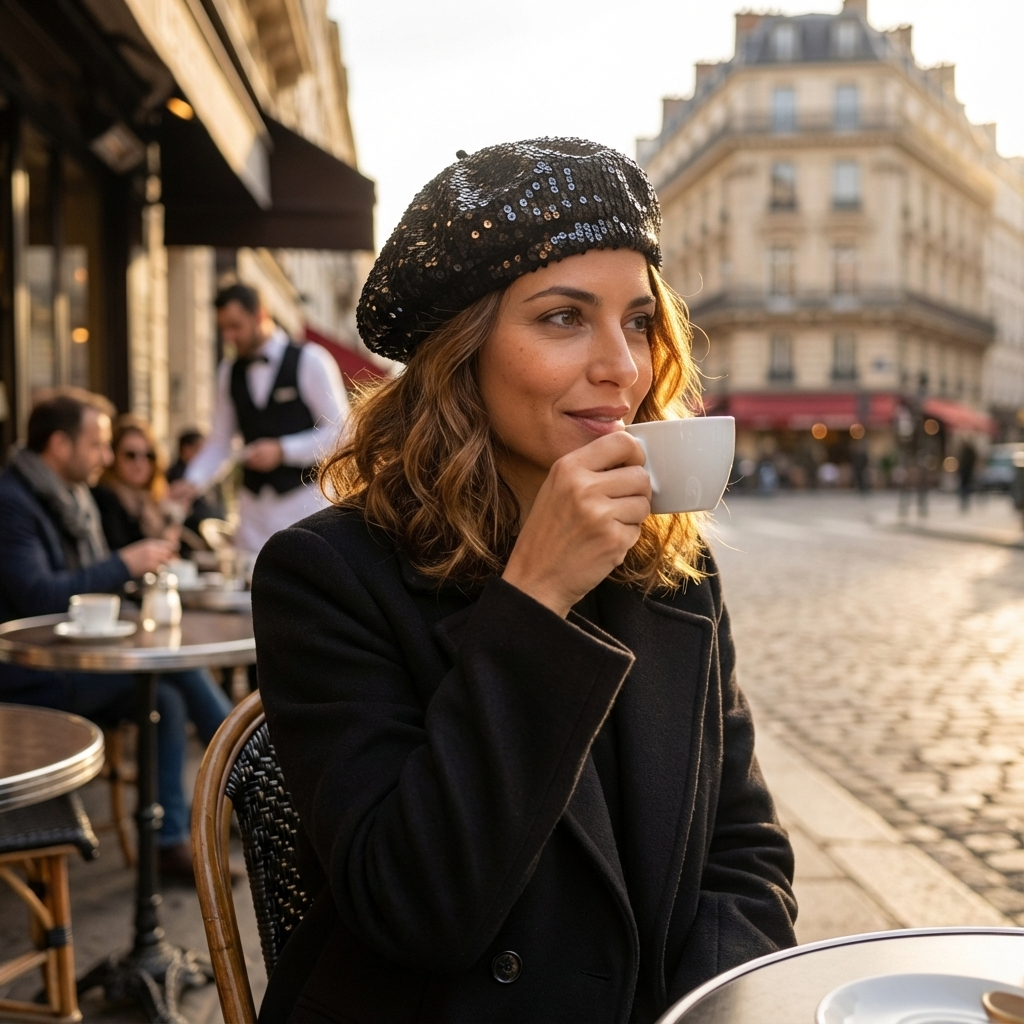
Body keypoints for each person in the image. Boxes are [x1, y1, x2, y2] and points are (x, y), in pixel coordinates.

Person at [252, 140, 797, 1024]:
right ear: (460, 354)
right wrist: (534, 600)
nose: (621, 364)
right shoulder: (327, 576)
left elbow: (742, 852)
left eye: (638, 320)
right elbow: (416, 911)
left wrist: (703, 1006)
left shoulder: (672, 569)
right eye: (562, 318)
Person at [0, 389, 230, 881]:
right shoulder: (13, 502)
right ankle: (249, 775)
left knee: (165, 697)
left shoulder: (72, 497)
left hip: (74, 657)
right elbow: (39, 596)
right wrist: (124, 563)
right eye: (98, 445)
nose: (105, 457)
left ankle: (169, 842)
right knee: (180, 668)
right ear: (60, 445)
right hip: (30, 674)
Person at [169, 284, 349, 555]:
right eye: (224, 329)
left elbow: (342, 432)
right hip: (252, 513)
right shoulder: (228, 371)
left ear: (261, 315)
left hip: (306, 504)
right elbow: (220, 442)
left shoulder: (311, 360)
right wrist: (191, 482)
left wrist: (283, 451)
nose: (229, 336)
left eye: (235, 326)